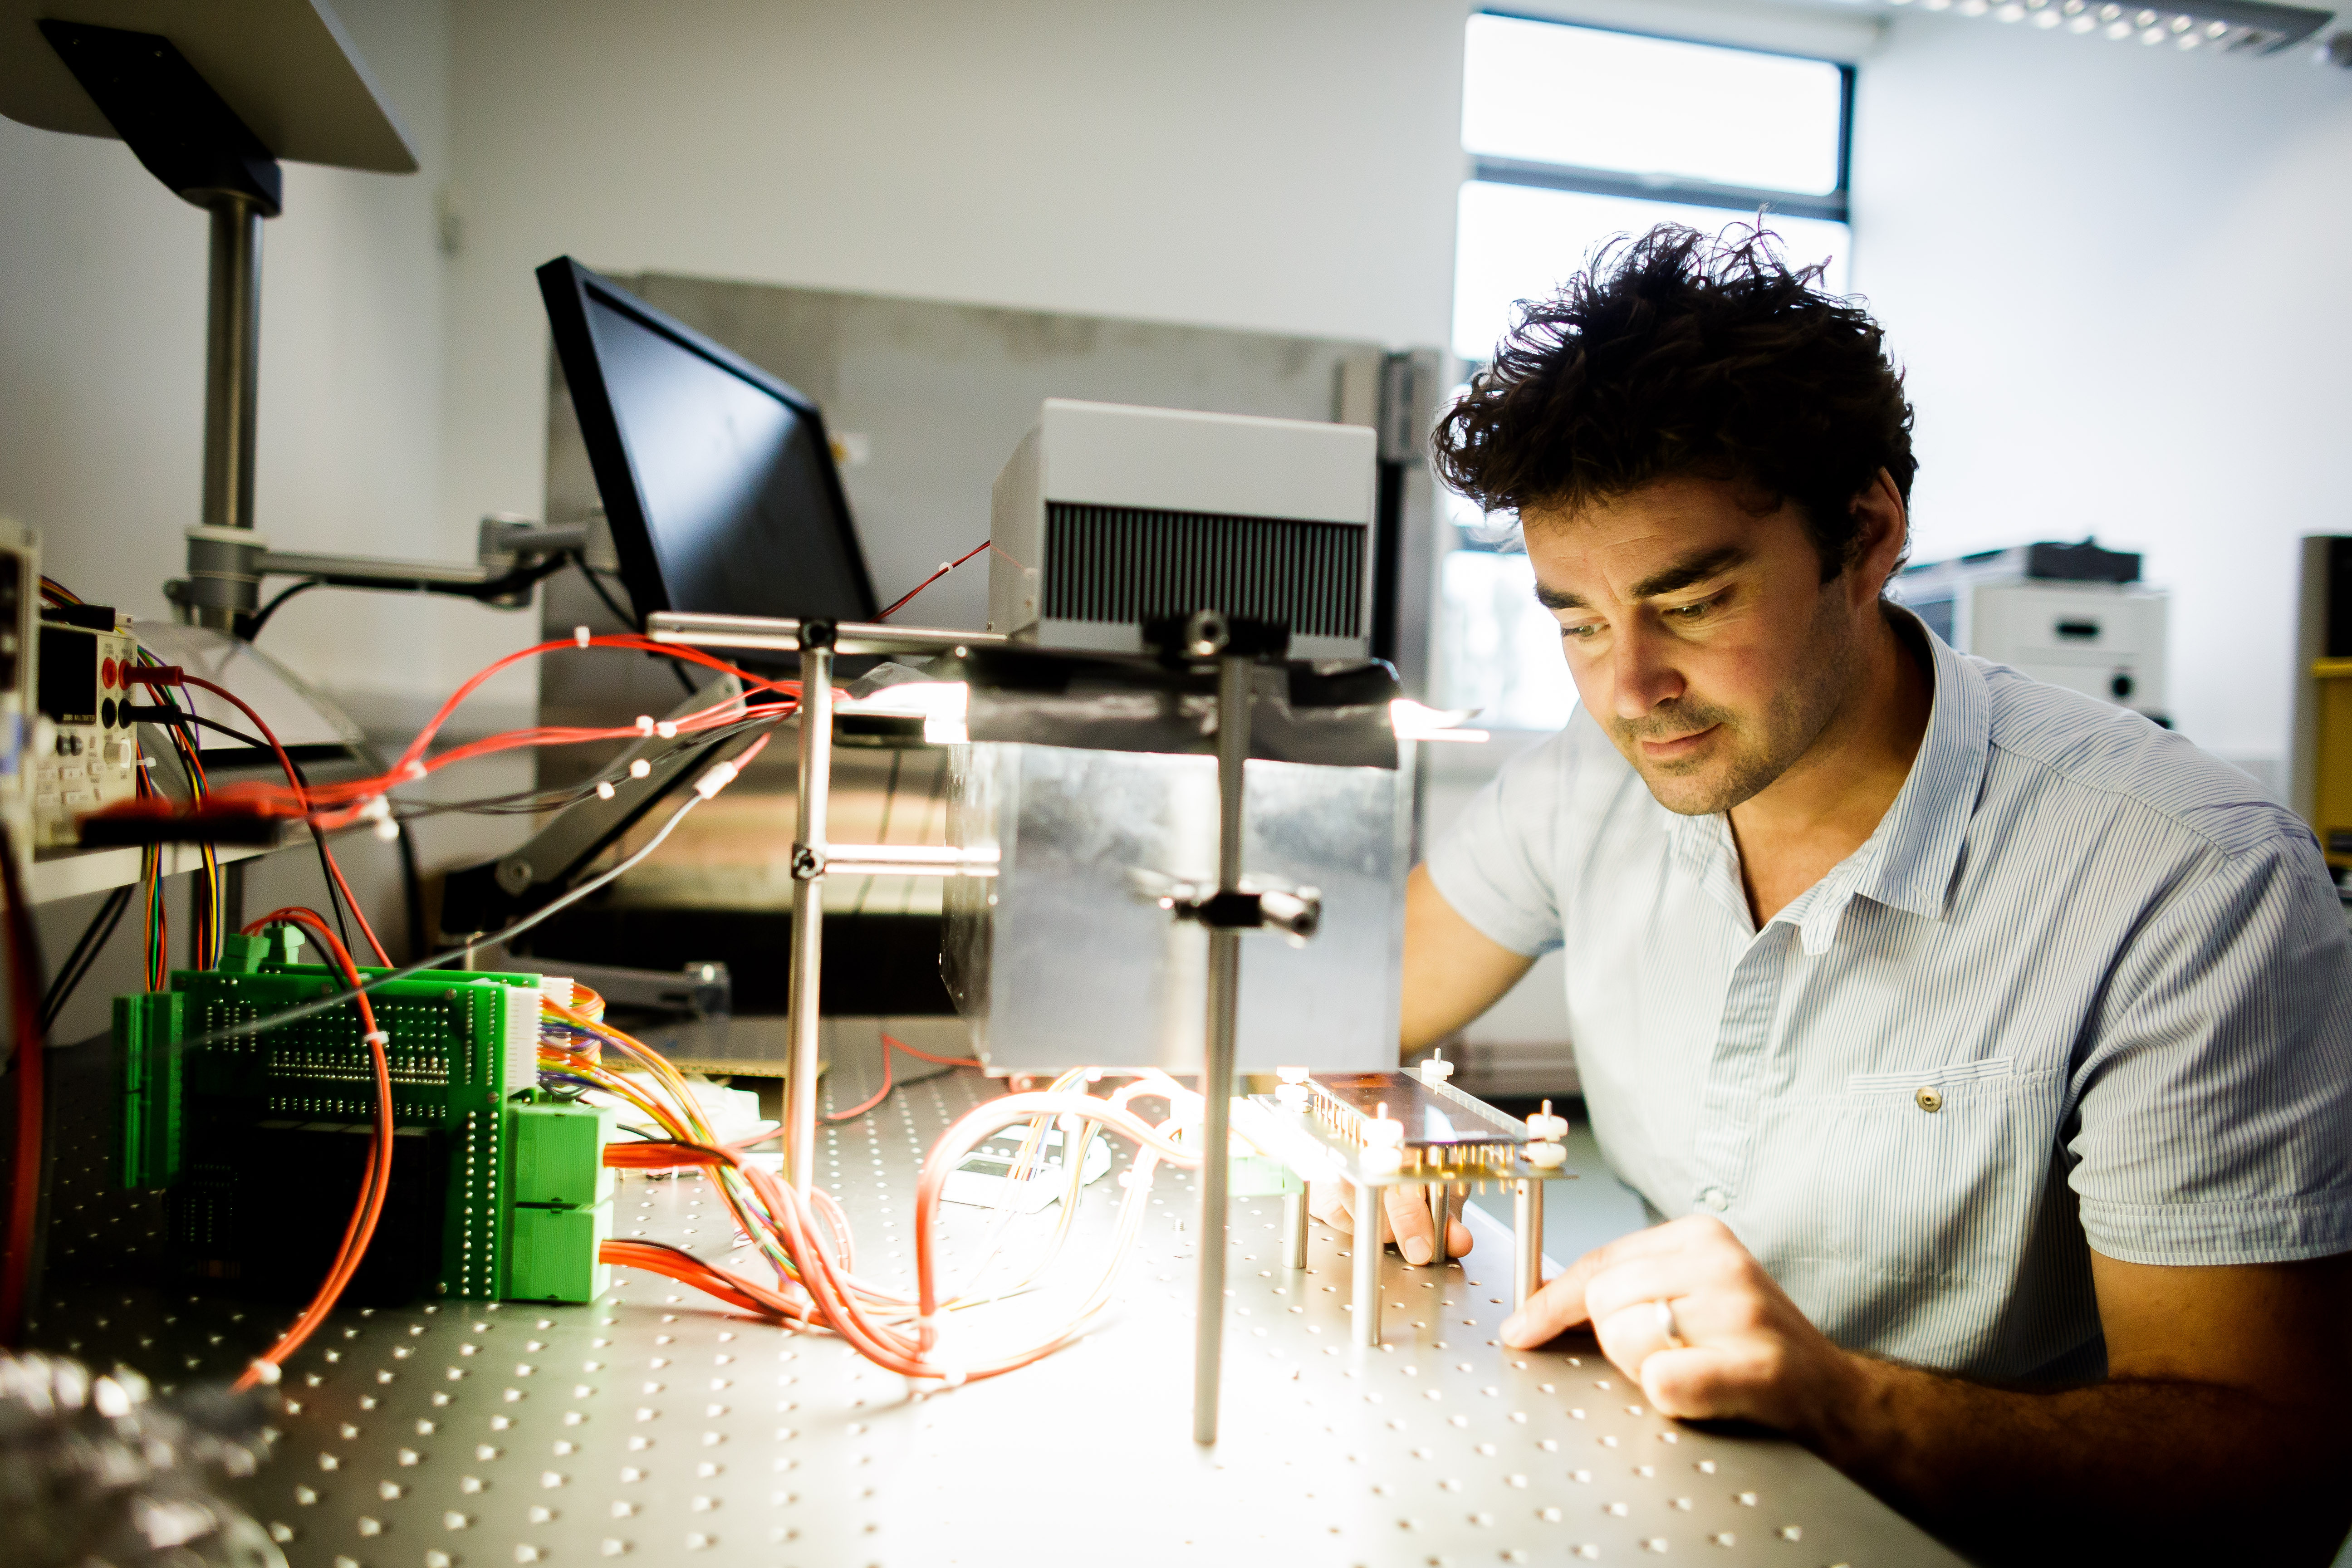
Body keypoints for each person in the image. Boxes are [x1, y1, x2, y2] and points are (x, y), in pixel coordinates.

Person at [1318, 226, 2352, 1562]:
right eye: (1576, 621)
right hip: (1681, 1506)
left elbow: (2272, 1483)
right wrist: (1382, 1140)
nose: (1628, 690)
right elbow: (1350, 1012)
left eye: (1691, 603)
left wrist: (1838, 1400)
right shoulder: (1591, 779)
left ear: (1865, 536)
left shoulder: (2190, 888)